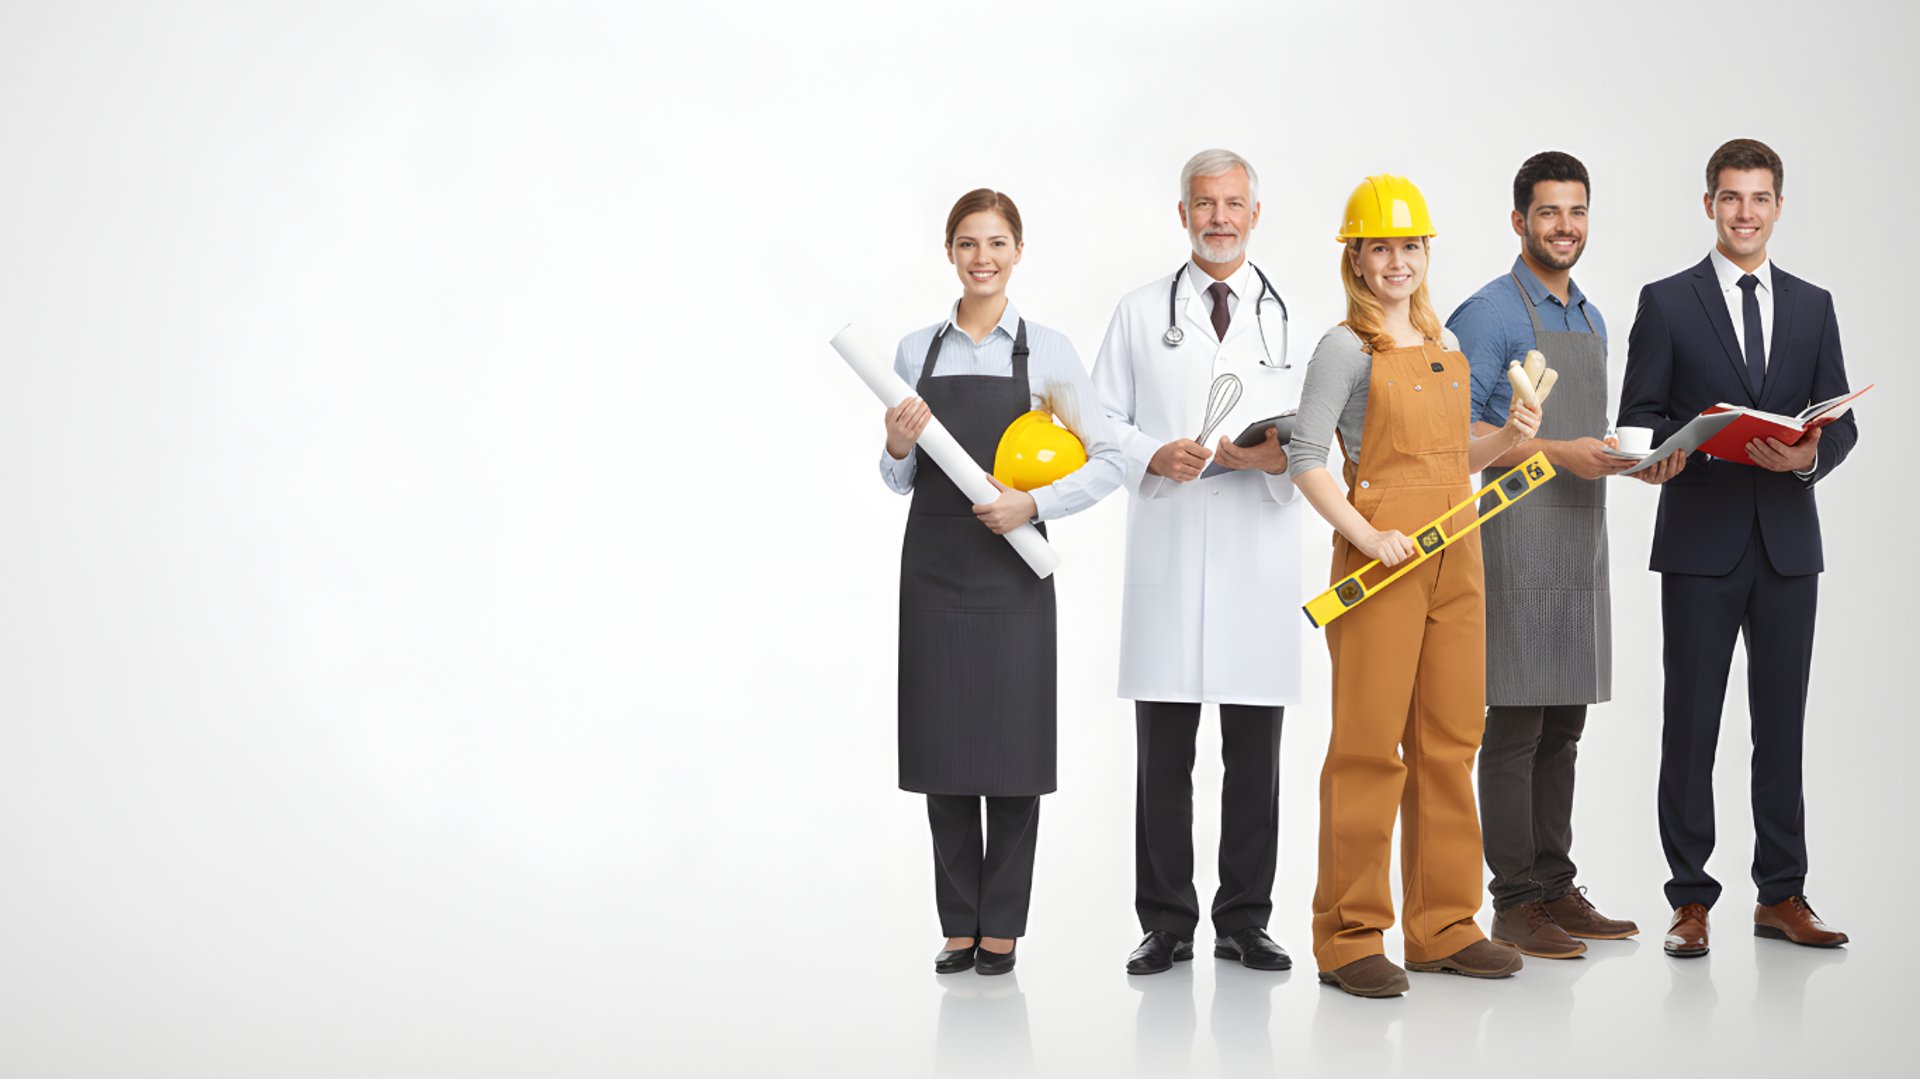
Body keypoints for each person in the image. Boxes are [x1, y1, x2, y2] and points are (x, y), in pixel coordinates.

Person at [1288, 174, 1540, 998]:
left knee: (1449, 740)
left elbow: (1449, 457)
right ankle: (1349, 935)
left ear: (1425, 252)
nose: (1397, 261)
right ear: (1355, 258)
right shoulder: (1343, 347)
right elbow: (1305, 456)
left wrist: (1506, 435)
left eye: (1410, 246)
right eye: (1380, 247)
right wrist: (1365, 537)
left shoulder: (1446, 343)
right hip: (1380, 562)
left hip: (1457, 553)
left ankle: (1444, 925)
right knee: (1367, 747)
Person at [1617, 139, 1858, 958]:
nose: (1745, 212)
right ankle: (1689, 900)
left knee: (1780, 724)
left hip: (1788, 544)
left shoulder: (1814, 303)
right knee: (1691, 722)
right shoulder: (1668, 301)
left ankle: (1782, 893)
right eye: (1730, 197)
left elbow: (1842, 416)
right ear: (1710, 205)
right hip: (1697, 541)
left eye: (1759, 198)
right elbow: (1640, 412)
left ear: (1779, 206)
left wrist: (1811, 456)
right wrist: (1655, 456)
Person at [879, 188, 1125, 975]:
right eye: (966, 244)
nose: (981, 258)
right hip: (936, 568)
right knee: (943, 747)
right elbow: (898, 480)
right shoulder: (915, 352)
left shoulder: (1047, 350)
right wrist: (893, 444)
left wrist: (1033, 503)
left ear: (1018, 250)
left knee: (1013, 750)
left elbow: (1106, 459)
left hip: (1015, 568)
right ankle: (959, 922)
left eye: (996, 243)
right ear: (949, 253)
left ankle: (1004, 924)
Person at [1445, 151, 1671, 959]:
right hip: (1512, 533)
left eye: (1576, 212)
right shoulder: (1488, 313)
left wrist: (1632, 459)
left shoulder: (1592, 318)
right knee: (1515, 722)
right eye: (1548, 212)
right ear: (1519, 221)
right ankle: (1512, 900)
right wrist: (1554, 453)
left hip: (1580, 526)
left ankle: (1554, 884)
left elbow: (1583, 434)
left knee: (1565, 723)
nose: (1564, 227)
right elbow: (1453, 439)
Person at [1089, 149, 1306, 976]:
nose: (1219, 217)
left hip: (1257, 553)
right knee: (1164, 758)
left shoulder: (1293, 314)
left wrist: (1272, 463)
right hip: (1172, 548)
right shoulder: (1141, 311)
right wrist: (1153, 453)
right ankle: (1167, 921)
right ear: (1182, 214)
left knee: (1254, 755)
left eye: (1233, 203)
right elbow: (1101, 421)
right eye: (1204, 204)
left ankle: (1245, 918)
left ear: (1256, 212)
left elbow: (1324, 437)